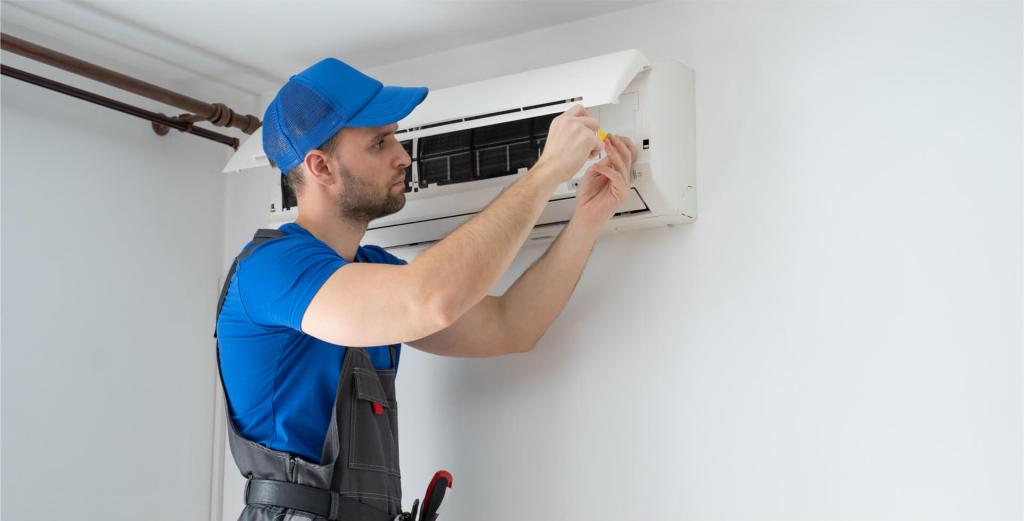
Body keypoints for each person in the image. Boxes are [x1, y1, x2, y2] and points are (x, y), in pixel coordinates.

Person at [214, 57, 637, 521]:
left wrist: (588, 220)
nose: (403, 155)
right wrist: (546, 172)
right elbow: (429, 300)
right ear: (321, 166)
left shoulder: (374, 273)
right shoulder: (271, 269)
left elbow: (511, 325)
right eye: (379, 143)